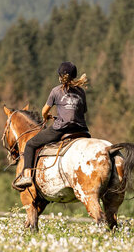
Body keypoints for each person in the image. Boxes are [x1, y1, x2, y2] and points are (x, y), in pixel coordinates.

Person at [13, 61, 90, 190]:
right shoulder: (81, 92)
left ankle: (27, 176)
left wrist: (46, 117)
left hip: (62, 129)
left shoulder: (56, 91)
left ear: (60, 76)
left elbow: (44, 111)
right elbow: (82, 111)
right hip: (82, 130)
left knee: (30, 144)